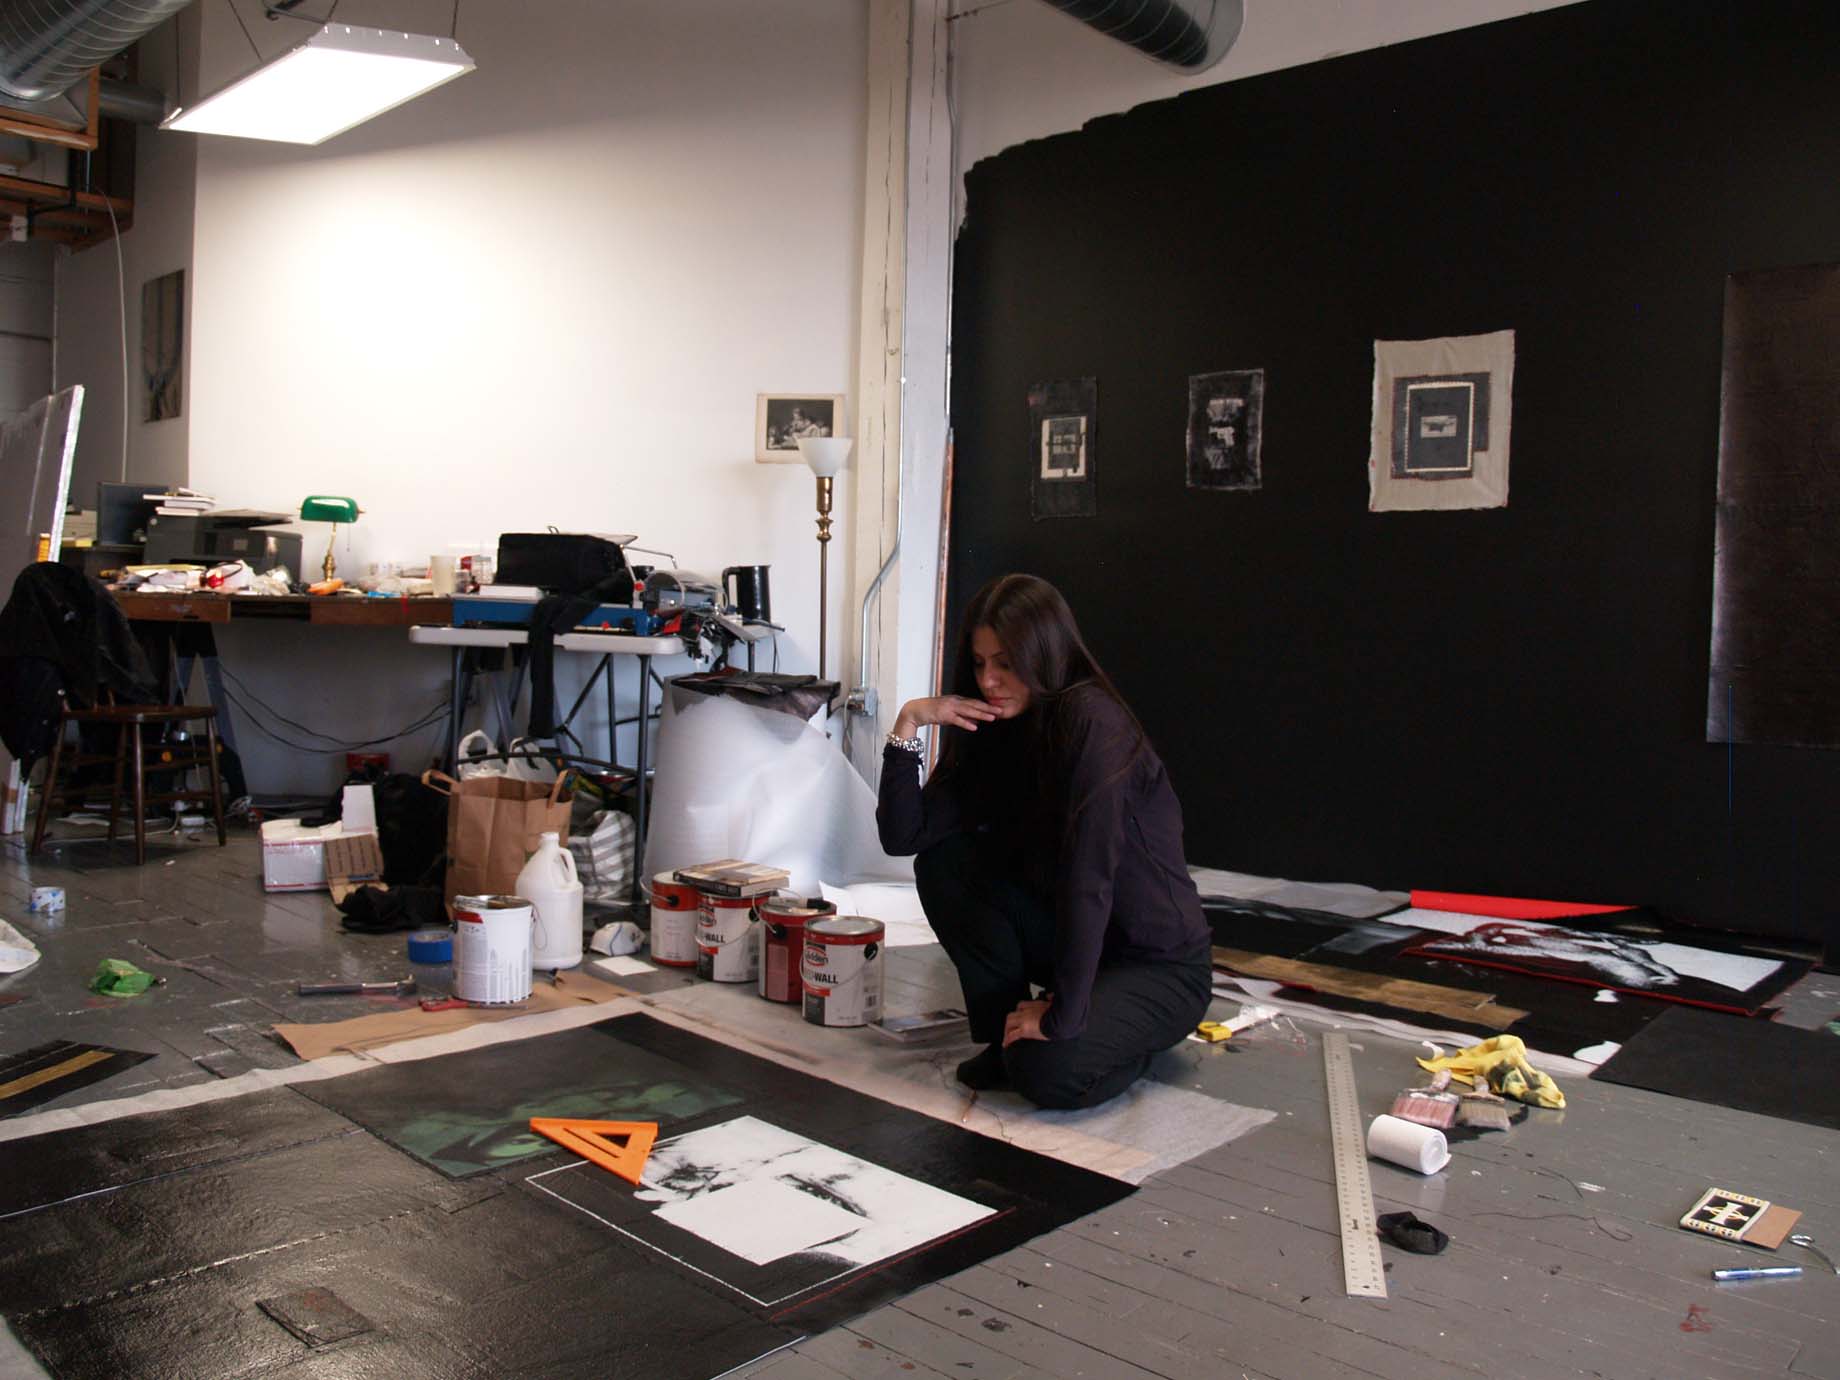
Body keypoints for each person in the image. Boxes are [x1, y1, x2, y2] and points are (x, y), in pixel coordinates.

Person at [876, 573, 1213, 1109]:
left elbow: (1090, 881)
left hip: (1157, 965)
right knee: (946, 863)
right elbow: (905, 837)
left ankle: (1133, 1038)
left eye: (1007, 662)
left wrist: (1062, 1016)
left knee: (1048, 1073)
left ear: (1044, 653)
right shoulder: (993, 727)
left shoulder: (1095, 726)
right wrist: (910, 723)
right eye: (981, 662)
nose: (990, 680)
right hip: (1073, 944)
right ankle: (1004, 1034)